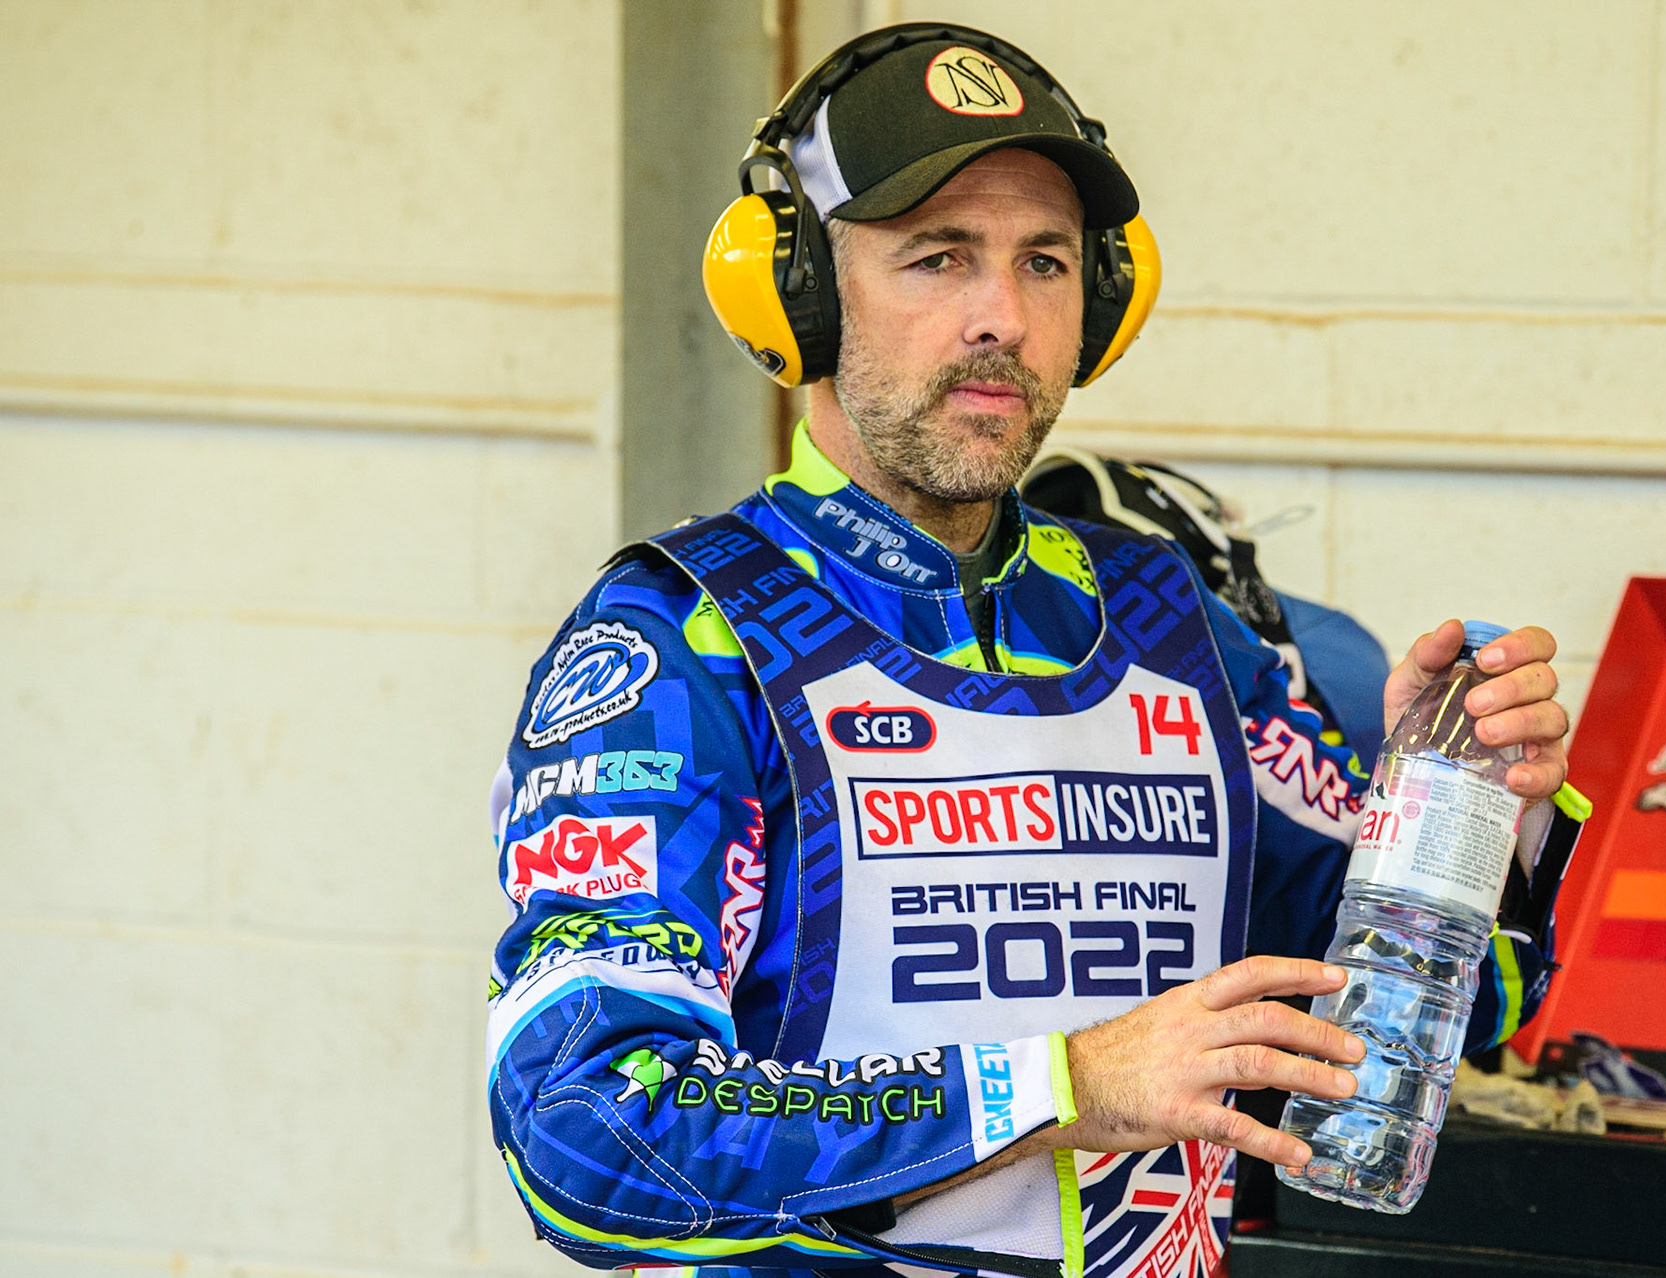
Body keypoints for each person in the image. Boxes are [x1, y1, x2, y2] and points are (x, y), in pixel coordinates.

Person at [486, 24, 1571, 1278]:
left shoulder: (1173, 625)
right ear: (800, 295)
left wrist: (1462, 807)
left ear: (1100, 303)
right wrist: (1057, 1088)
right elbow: (589, 1137)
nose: (1001, 316)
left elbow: (1411, 1024)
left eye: (1045, 262)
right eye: (937, 258)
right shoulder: (681, 643)